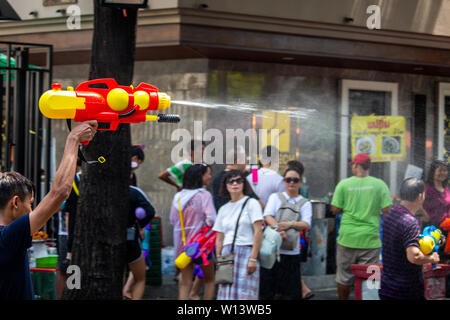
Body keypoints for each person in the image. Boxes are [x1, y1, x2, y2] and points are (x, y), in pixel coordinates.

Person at [0, 120, 97, 300]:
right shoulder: (8, 237)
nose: (32, 209)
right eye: (30, 203)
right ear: (15, 203)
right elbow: (59, 193)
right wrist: (73, 139)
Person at [331, 153, 392, 300]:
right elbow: (387, 211)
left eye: (353, 165)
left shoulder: (344, 184)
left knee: (344, 277)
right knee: (371, 278)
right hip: (370, 241)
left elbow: (335, 209)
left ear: (356, 166)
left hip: (347, 238)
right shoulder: (380, 185)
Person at [379, 177, 441, 300]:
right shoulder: (410, 222)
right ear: (420, 197)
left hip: (387, 288)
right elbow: (414, 256)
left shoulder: (391, 214)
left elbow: (399, 245)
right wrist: (431, 258)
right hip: (406, 291)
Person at [260, 166, 312, 300]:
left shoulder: (305, 203)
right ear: (284, 182)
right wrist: (278, 230)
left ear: (300, 182)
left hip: (291, 252)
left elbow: (306, 223)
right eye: (288, 179)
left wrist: (291, 224)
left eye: (295, 180)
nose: (291, 183)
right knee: (269, 291)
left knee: (290, 293)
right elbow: (268, 216)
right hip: (272, 249)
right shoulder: (275, 197)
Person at [213, 170, 263, 300]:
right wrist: (219, 259)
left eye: (238, 181)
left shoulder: (252, 203)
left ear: (244, 184)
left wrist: (253, 258)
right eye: (231, 181)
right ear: (226, 185)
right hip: (226, 255)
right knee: (225, 295)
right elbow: (219, 238)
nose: (235, 184)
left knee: (245, 294)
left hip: (246, 252)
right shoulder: (223, 209)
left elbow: (258, 231)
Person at [170, 164, 216, 300]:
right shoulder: (204, 195)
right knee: (209, 280)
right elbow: (212, 219)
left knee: (184, 282)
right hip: (201, 245)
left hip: (183, 245)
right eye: (207, 174)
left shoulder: (178, 196)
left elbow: (173, 220)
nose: (210, 176)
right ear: (200, 177)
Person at [286, 160, 314, 299]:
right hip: (301, 232)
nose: (291, 182)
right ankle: (302, 288)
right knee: (295, 264)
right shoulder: (303, 188)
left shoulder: (294, 191)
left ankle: (302, 289)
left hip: (295, 232)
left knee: (293, 264)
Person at [122, 184, 155, 300]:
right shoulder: (133, 192)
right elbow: (150, 211)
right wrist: (140, 226)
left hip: (104, 240)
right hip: (130, 239)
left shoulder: (99, 191)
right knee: (140, 279)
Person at [56, 157, 81, 299]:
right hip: (68, 232)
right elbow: (61, 209)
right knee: (69, 267)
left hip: (68, 231)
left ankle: (69, 296)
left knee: (69, 268)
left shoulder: (74, 180)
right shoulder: (71, 181)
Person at [423, 160, 450, 228]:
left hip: (447, 227)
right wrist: (425, 215)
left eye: (445, 170)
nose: (443, 173)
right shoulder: (426, 189)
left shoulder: (447, 188)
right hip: (432, 228)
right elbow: (418, 203)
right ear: (433, 172)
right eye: (440, 170)